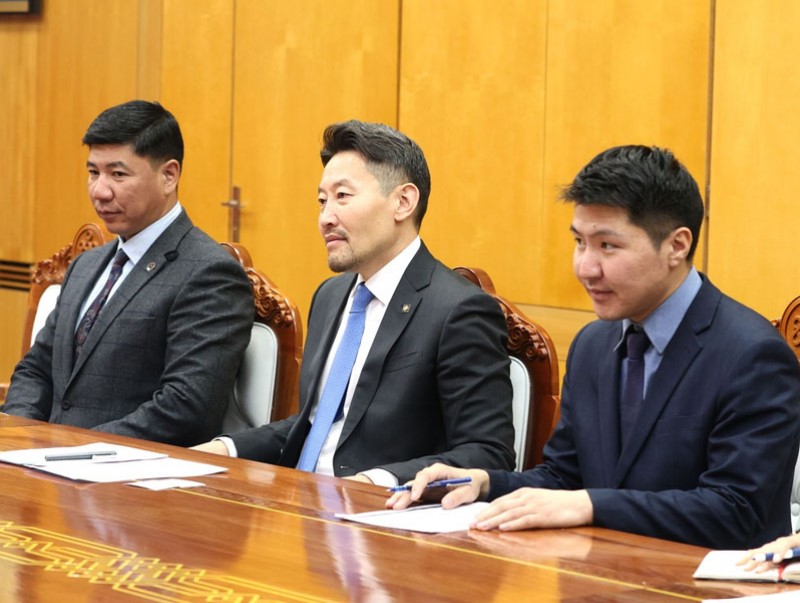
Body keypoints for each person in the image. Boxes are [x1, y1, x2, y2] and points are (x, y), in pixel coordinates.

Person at [387, 145, 800, 549]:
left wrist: (590, 505)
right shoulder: (593, 344)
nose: (585, 267)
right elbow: (564, 479)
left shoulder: (752, 355)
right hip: (597, 572)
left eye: (608, 246)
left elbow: (735, 511)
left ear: (677, 245)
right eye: (580, 242)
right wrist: (484, 483)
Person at [194, 120, 515, 486]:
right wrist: (224, 448)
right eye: (322, 201)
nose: (325, 218)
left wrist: (373, 483)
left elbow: (488, 452)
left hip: (380, 511)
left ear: (403, 202)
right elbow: (317, 427)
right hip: (299, 501)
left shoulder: (458, 310)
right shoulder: (330, 296)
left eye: (343, 196)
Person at [2, 100, 253, 446]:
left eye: (118, 174)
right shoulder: (86, 266)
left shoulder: (210, 273)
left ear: (169, 176)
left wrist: (72, 447)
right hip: (42, 461)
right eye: (94, 172)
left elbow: (186, 408)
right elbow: (36, 369)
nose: (100, 191)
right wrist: (18, 436)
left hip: (126, 469)